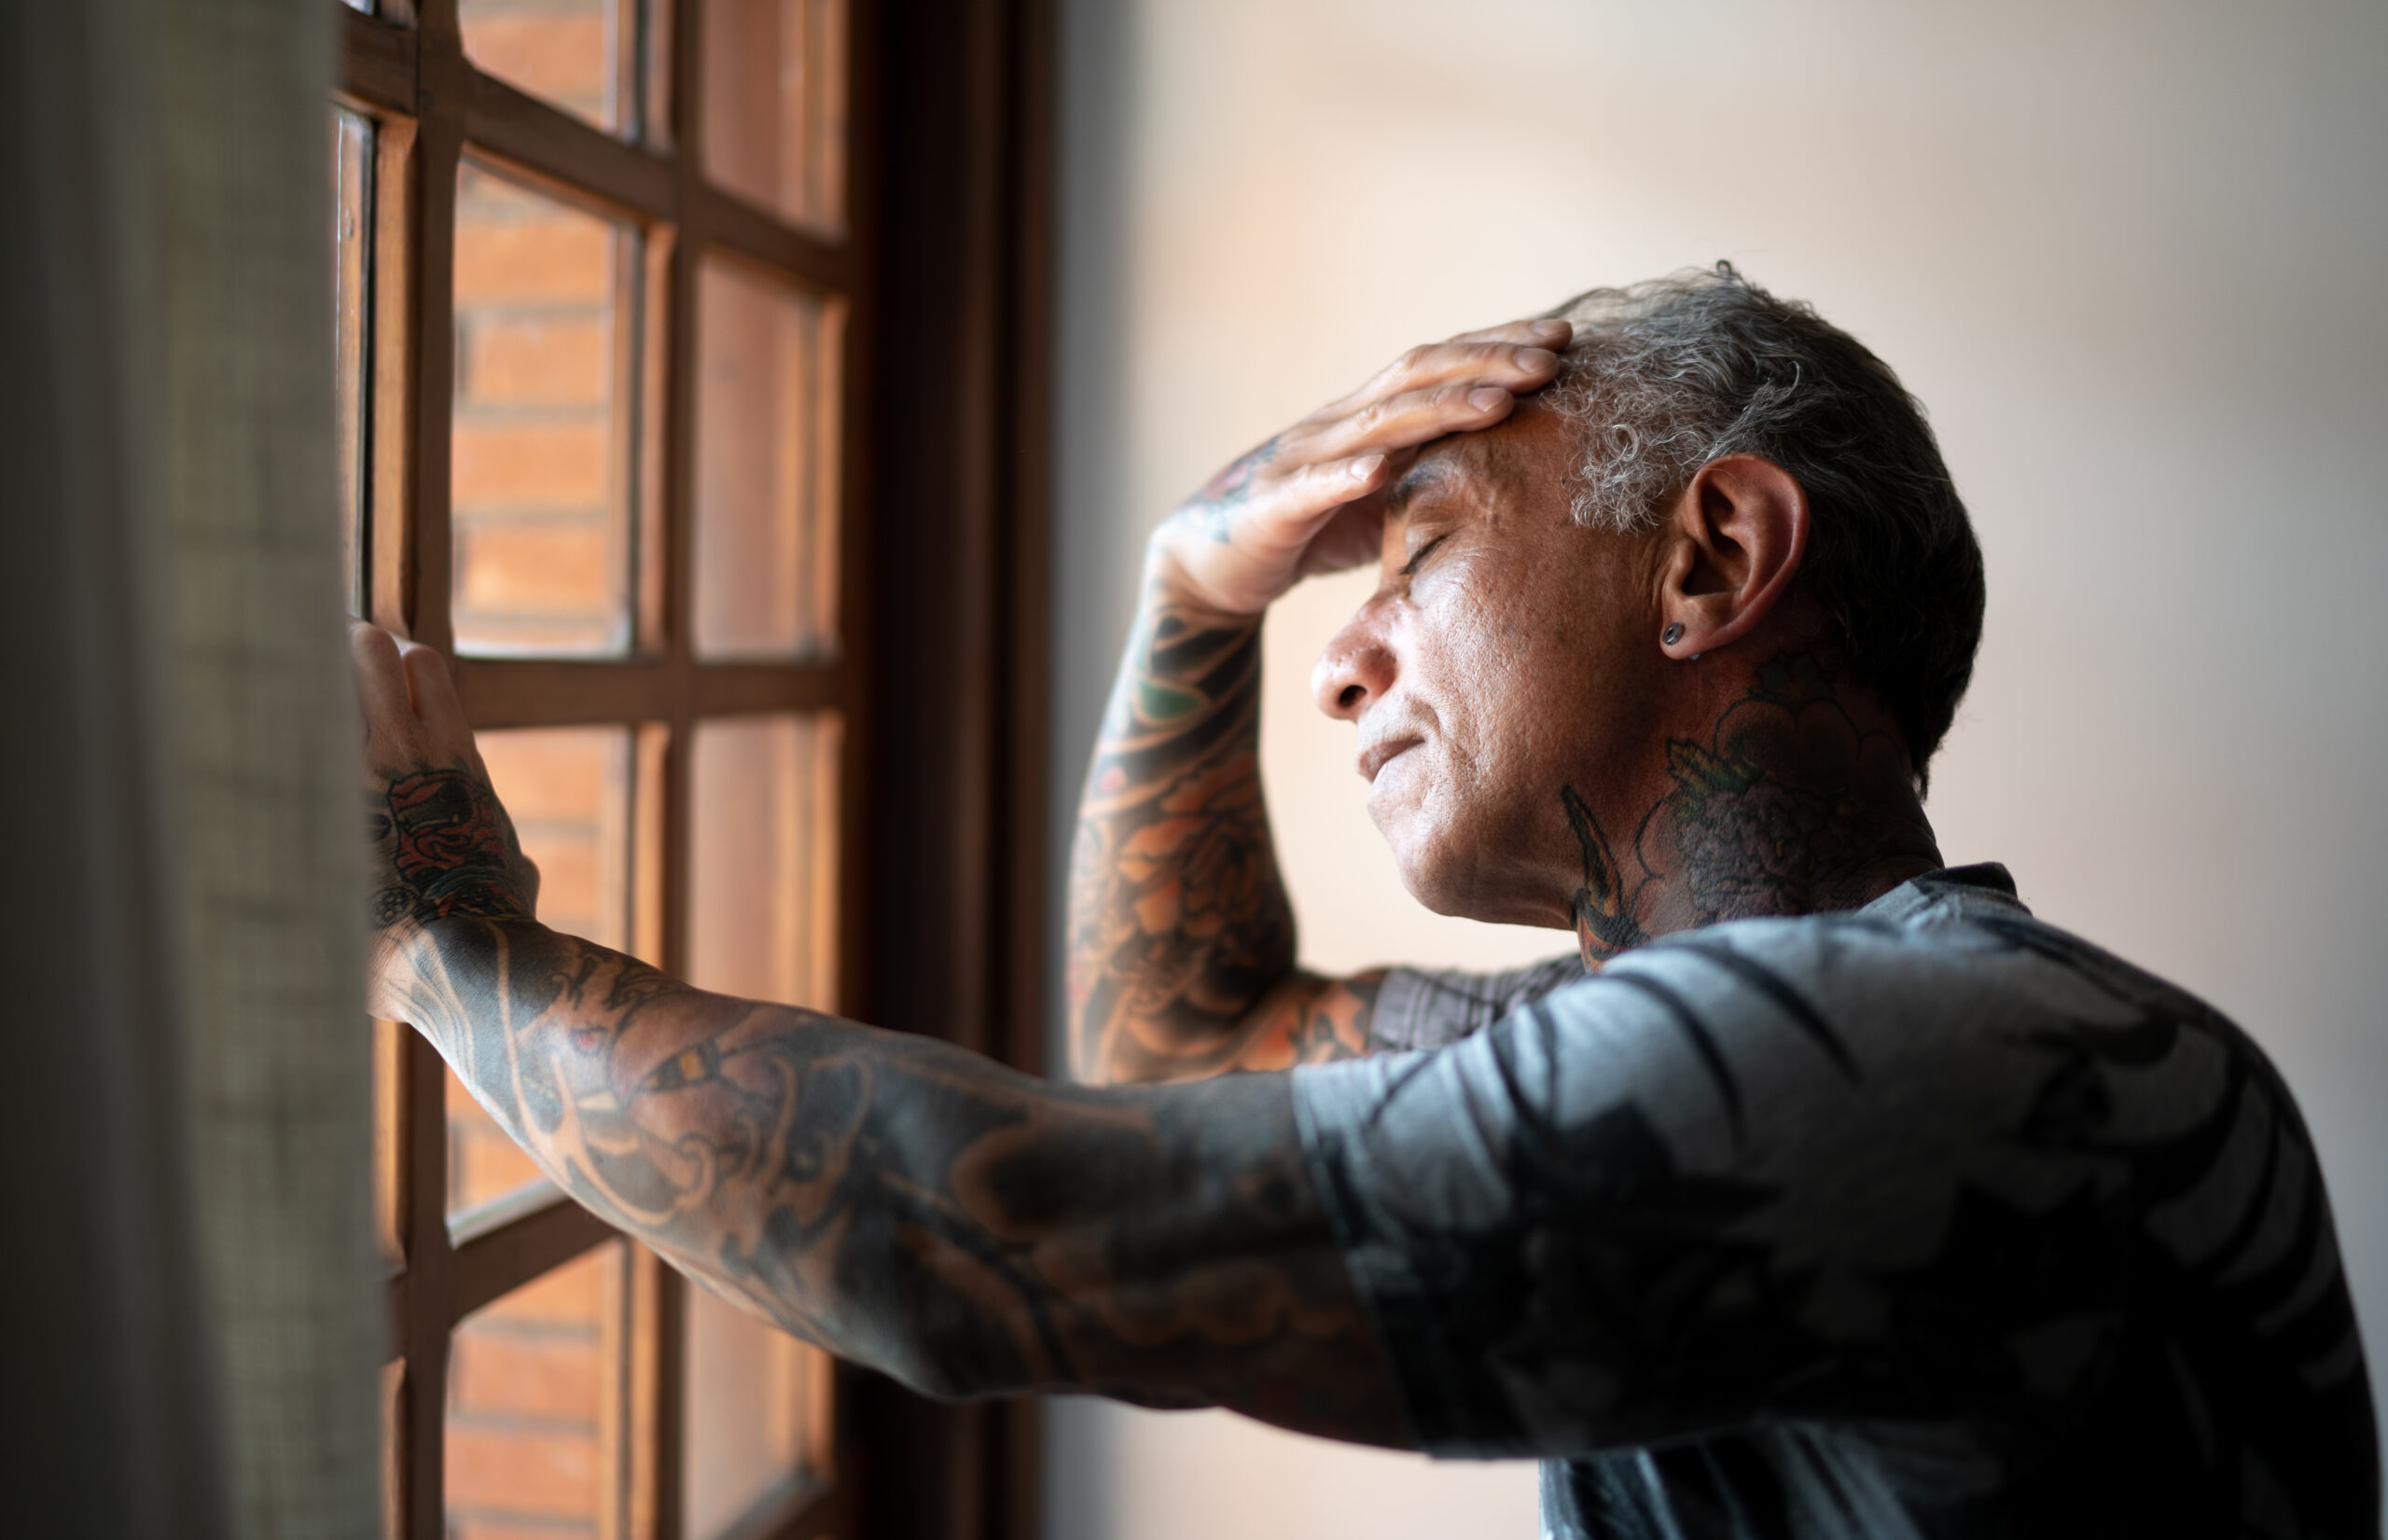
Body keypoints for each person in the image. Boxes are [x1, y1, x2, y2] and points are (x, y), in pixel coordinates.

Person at [355, 267, 2379, 1538]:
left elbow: (981, 1234)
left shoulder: (1924, 1066)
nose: (1344, 655)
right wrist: (1188, 592)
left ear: (1708, 560)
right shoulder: (1745, 1026)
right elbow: (1178, 1047)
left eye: (1410, 555)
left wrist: (443, 935)